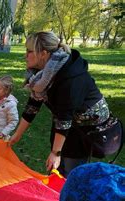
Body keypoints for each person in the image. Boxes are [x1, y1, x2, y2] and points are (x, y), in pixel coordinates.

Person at [9, 31, 119, 176]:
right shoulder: (42, 75)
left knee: (69, 173)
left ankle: (67, 194)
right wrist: (17, 135)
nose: (25, 56)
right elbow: (33, 106)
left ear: (43, 53)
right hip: (67, 124)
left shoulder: (69, 77)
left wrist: (56, 152)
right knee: (57, 172)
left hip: (85, 131)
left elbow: (64, 117)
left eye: (29, 51)